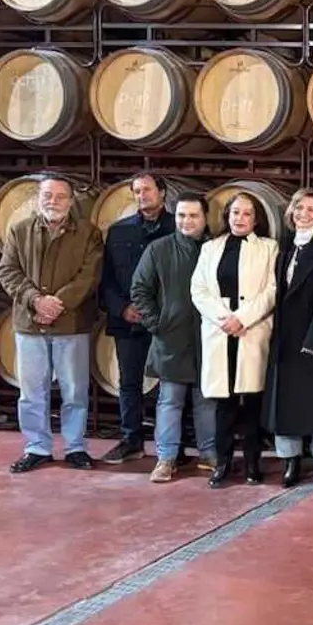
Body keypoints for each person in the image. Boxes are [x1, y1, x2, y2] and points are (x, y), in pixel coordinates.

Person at [0, 174, 104, 473]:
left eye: (60, 196)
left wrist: (58, 304)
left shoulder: (88, 233)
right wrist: (35, 300)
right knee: (31, 392)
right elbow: (7, 270)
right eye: (47, 195)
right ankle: (36, 447)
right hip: (30, 323)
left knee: (74, 391)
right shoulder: (19, 230)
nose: (53, 201)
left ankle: (75, 447)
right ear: (38, 198)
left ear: (71, 201)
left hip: (71, 323)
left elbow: (89, 275)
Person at [261, 188, 313, 488]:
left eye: (311, 209)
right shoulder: (283, 247)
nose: (304, 214)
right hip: (284, 336)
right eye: (299, 208)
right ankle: (291, 462)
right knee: (285, 403)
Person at [191, 192, 278, 488]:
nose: (240, 218)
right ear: (227, 215)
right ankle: (223, 463)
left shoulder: (269, 248)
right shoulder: (210, 248)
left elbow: (271, 290)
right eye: (235, 213)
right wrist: (223, 318)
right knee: (223, 405)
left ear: (256, 219)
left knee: (252, 402)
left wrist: (243, 317)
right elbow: (198, 290)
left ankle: (253, 463)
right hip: (220, 331)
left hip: (250, 330)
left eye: (246, 214)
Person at [130, 192, 218, 482]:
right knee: (170, 401)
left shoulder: (215, 249)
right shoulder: (159, 249)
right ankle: (165, 459)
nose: (186, 221)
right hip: (171, 339)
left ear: (205, 218)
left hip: (208, 338)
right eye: (181, 215)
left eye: (193, 215)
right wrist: (158, 323)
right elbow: (140, 290)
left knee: (206, 401)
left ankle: (209, 454)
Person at [97, 172, 175, 465]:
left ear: (163, 193)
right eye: (137, 191)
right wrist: (122, 309)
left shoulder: (176, 228)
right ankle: (132, 440)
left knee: (171, 384)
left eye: (148, 190)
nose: (142, 195)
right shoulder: (119, 231)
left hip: (166, 322)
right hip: (128, 320)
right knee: (129, 383)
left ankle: (170, 446)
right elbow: (107, 280)